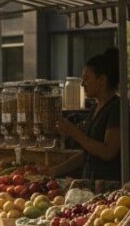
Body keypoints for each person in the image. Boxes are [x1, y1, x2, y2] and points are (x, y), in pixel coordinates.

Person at [53, 48, 123, 184]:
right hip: (91, 183)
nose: (82, 84)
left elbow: (108, 152)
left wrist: (73, 131)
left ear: (102, 80)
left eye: (86, 78)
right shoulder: (96, 107)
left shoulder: (116, 108)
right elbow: (88, 153)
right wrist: (56, 170)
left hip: (110, 186)